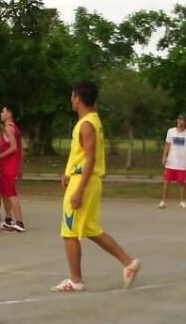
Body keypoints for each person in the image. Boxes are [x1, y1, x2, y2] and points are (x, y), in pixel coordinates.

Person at [52, 80, 140, 292]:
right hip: (82, 178)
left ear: (78, 98)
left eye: (72, 96)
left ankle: (76, 280)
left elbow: (90, 160)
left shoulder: (87, 125)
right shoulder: (92, 121)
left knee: (69, 232)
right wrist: (68, 171)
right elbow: (81, 155)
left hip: (84, 182)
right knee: (91, 229)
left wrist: (79, 190)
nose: (71, 99)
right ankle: (129, 263)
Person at [0, 103, 25, 231]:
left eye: (3, 111)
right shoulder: (13, 129)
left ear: (9, 114)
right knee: (3, 192)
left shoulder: (9, 128)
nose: (1, 114)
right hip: (6, 165)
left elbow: (14, 147)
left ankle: (19, 223)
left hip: (9, 166)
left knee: (11, 194)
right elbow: (20, 149)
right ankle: (8, 219)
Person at [159, 113, 186, 208]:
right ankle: (163, 201)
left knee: (182, 183)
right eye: (178, 119)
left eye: (182, 120)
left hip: (181, 163)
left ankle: (182, 202)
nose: (179, 121)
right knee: (166, 182)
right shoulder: (171, 131)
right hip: (171, 162)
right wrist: (164, 156)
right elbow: (167, 145)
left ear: (185, 122)